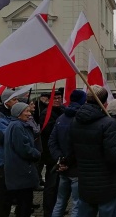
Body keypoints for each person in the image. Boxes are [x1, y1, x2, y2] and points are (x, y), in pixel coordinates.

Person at [69, 85, 116, 216]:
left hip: (85, 183)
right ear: (105, 102)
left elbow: (71, 150)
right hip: (107, 185)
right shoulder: (108, 123)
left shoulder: (75, 121)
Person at [49, 89, 86, 217]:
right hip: (76, 168)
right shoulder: (82, 120)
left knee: (60, 202)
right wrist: (67, 161)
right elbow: (80, 144)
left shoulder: (60, 118)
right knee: (77, 203)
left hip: (63, 168)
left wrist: (60, 159)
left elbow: (52, 142)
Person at [4, 102, 41, 217]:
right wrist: (37, 154)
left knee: (23, 201)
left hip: (20, 168)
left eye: (29, 111)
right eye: (27, 111)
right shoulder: (17, 126)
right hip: (21, 169)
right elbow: (24, 148)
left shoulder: (17, 125)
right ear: (18, 114)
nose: (29, 114)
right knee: (24, 201)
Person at [0, 88, 19, 217]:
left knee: (9, 191)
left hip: (8, 158)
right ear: (6, 101)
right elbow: (2, 136)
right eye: (14, 99)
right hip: (2, 158)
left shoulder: (9, 114)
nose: (17, 101)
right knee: (4, 191)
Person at [40, 91, 65, 217]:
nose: (57, 100)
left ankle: (56, 208)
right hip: (51, 155)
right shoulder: (47, 113)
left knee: (58, 185)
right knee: (51, 185)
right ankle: (48, 211)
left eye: (59, 98)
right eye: (54, 98)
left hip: (58, 153)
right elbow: (50, 134)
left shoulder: (61, 110)